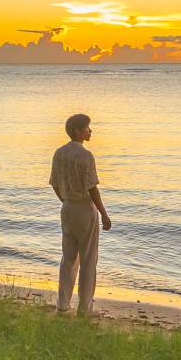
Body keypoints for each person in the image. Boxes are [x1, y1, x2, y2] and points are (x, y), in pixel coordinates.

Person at [49, 113, 112, 316]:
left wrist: (66, 200)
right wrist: (103, 213)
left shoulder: (59, 153)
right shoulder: (86, 156)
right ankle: (85, 308)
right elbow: (92, 188)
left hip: (67, 208)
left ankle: (63, 304)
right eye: (87, 128)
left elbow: (55, 184)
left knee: (68, 259)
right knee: (88, 260)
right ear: (78, 131)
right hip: (84, 209)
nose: (90, 131)